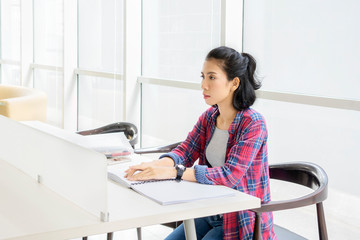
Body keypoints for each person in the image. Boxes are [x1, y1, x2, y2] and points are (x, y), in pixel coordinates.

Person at [125, 46, 277, 240]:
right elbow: (185, 152)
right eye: (203, 77)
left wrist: (174, 172)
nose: (204, 85)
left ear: (234, 83)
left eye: (212, 77)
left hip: (239, 221)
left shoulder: (253, 123)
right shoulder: (209, 117)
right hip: (209, 212)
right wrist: (152, 166)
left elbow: (229, 175)